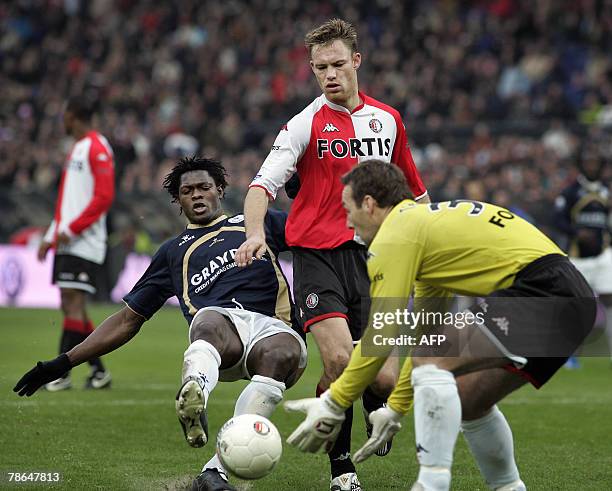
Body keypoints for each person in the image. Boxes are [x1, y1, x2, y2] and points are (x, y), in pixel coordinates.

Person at [285, 161, 596, 491]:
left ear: (369, 204)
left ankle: (431, 484)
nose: (346, 221)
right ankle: (509, 487)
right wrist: (395, 408)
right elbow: (425, 332)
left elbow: (381, 333)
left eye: (347, 208)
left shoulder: (397, 232)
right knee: (469, 399)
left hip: (544, 293)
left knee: (431, 358)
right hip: (570, 298)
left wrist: (334, 401)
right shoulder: (427, 233)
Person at [15, 157, 307, 491]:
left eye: (204, 188)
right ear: (178, 201)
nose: (196, 195)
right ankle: (194, 390)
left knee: (283, 353)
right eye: (187, 191)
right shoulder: (172, 252)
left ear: (220, 190)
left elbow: (315, 233)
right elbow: (127, 320)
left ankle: (214, 472)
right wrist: (63, 362)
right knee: (207, 317)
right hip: (221, 335)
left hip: (274, 329)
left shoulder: (259, 223)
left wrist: (307, 192)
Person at [236, 19, 429, 490]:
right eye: (320, 67)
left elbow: (416, 194)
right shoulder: (304, 123)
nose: (329, 74)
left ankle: (368, 405)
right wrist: (255, 233)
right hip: (317, 256)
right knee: (342, 362)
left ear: (356, 62)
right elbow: (262, 185)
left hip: (376, 259)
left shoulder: (388, 120)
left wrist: (436, 245)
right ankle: (342, 470)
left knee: (384, 380)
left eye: (338, 64)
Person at [37, 96, 115, 391]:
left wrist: (73, 229)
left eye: (65, 116)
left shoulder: (98, 147)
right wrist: (51, 235)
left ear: (74, 116)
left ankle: (60, 373)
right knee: (72, 306)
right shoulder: (77, 149)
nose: (63, 122)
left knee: (72, 302)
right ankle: (98, 371)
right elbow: (68, 201)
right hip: (69, 240)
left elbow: (104, 197)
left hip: (85, 241)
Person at [554, 141, 611, 366]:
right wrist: (576, 232)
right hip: (578, 258)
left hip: (604, 256)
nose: (592, 166)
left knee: (610, 302)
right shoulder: (570, 192)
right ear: (581, 164)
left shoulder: (606, 190)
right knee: (576, 305)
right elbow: (557, 219)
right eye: (588, 162)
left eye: (595, 162)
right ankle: (570, 355)